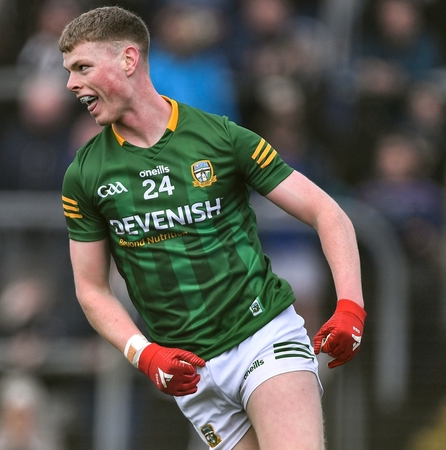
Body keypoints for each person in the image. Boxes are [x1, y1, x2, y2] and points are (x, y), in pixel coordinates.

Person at [58, 7, 365, 450]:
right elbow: (91, 290)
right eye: (68, 72)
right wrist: (144, 354)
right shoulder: (84, 175)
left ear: (128, 60)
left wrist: (350, 307)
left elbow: (328, 213)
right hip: (193, 373)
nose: (71, 84)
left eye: (82, 68)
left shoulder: (220, 138)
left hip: (262, 336)